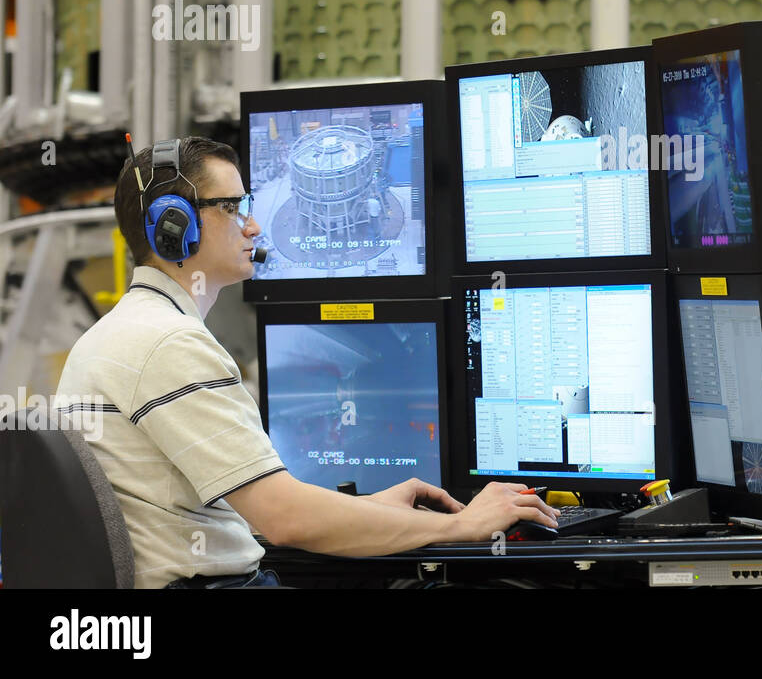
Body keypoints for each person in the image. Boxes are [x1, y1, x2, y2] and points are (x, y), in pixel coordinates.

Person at [55, 136, 556, 588]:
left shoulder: (111, 336)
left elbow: (226, 509)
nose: (252, 225)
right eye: (232, 207)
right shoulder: (170, 343)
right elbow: (286, 520)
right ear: (174, 226)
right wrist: (459, 525)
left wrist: (364, 510)